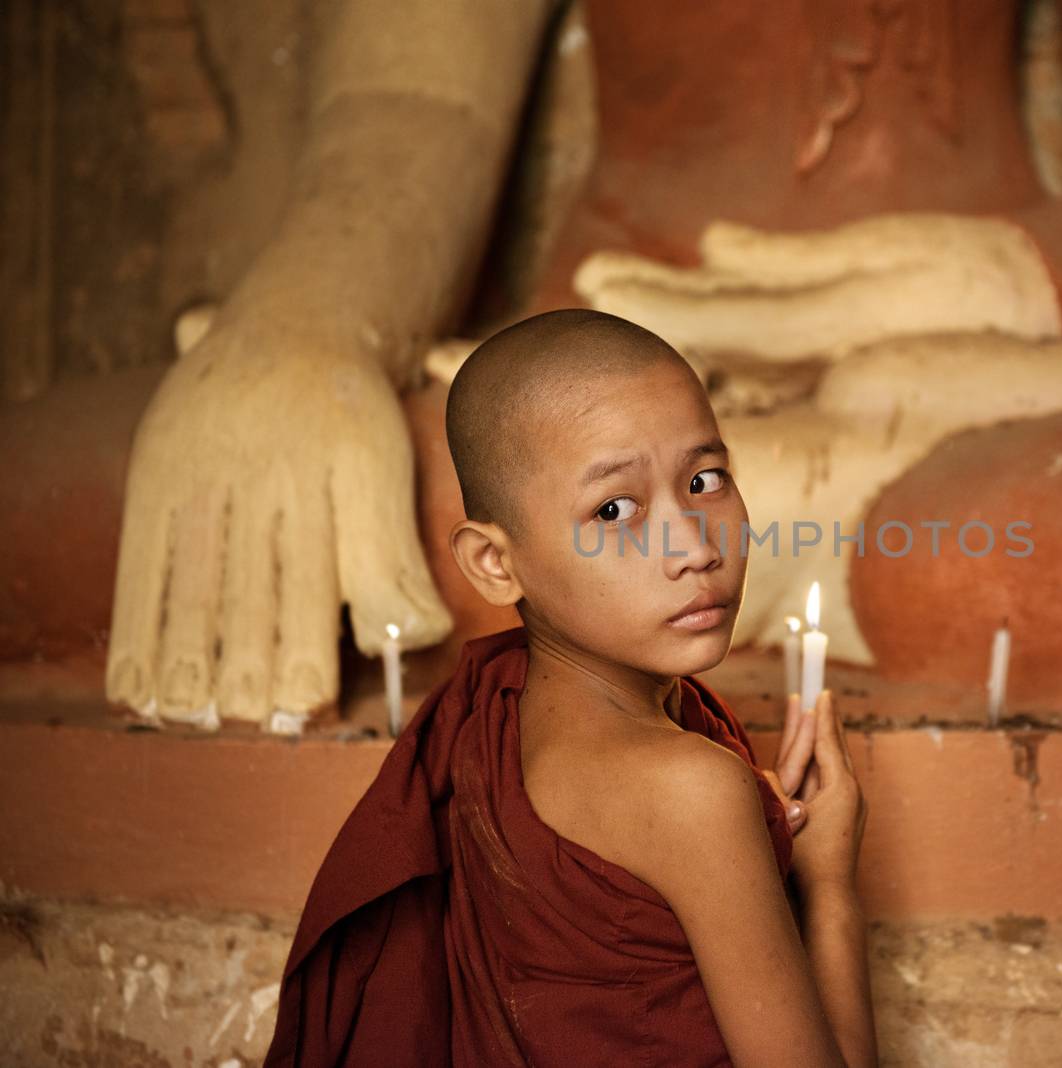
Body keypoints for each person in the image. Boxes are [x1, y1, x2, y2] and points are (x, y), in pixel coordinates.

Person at [265, 309, 877, 1066]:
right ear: (495, 563)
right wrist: (831, 888)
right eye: (615, 510)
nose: (693, 546)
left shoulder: (502, 712)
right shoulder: (691, 790)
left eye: (705, 480)